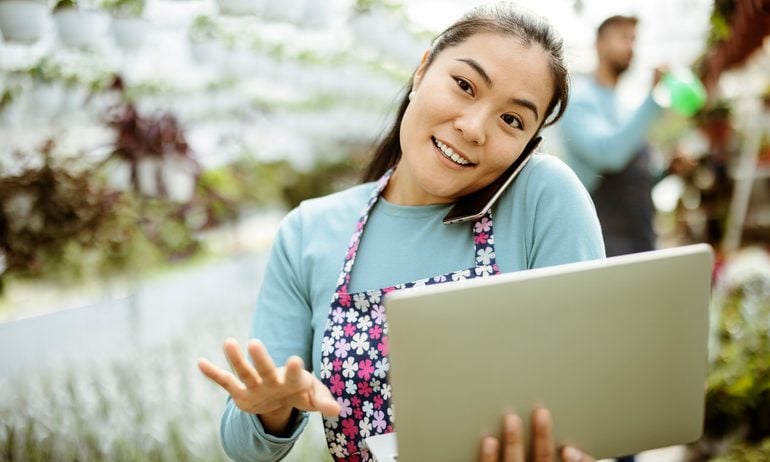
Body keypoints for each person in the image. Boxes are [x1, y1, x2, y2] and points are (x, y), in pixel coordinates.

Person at [198, 3, 605, 461]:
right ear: (422, 70)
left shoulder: (543, 199)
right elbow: (245, 449)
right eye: (465, 86)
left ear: (528, 145)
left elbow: (590, 407)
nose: (473, 129)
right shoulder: (308, 232)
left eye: (511, 120)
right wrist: (271, 409)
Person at [558, 15, 668, 258]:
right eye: (622, 38)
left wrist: (669, 170)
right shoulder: (578, 101)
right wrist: (655, 97)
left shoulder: (624, 107)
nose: (630, 47)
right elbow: (609, 156)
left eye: (633, 40)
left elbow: (636, 180)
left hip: (642, 238)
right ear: (599, 44)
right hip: (606, 243)